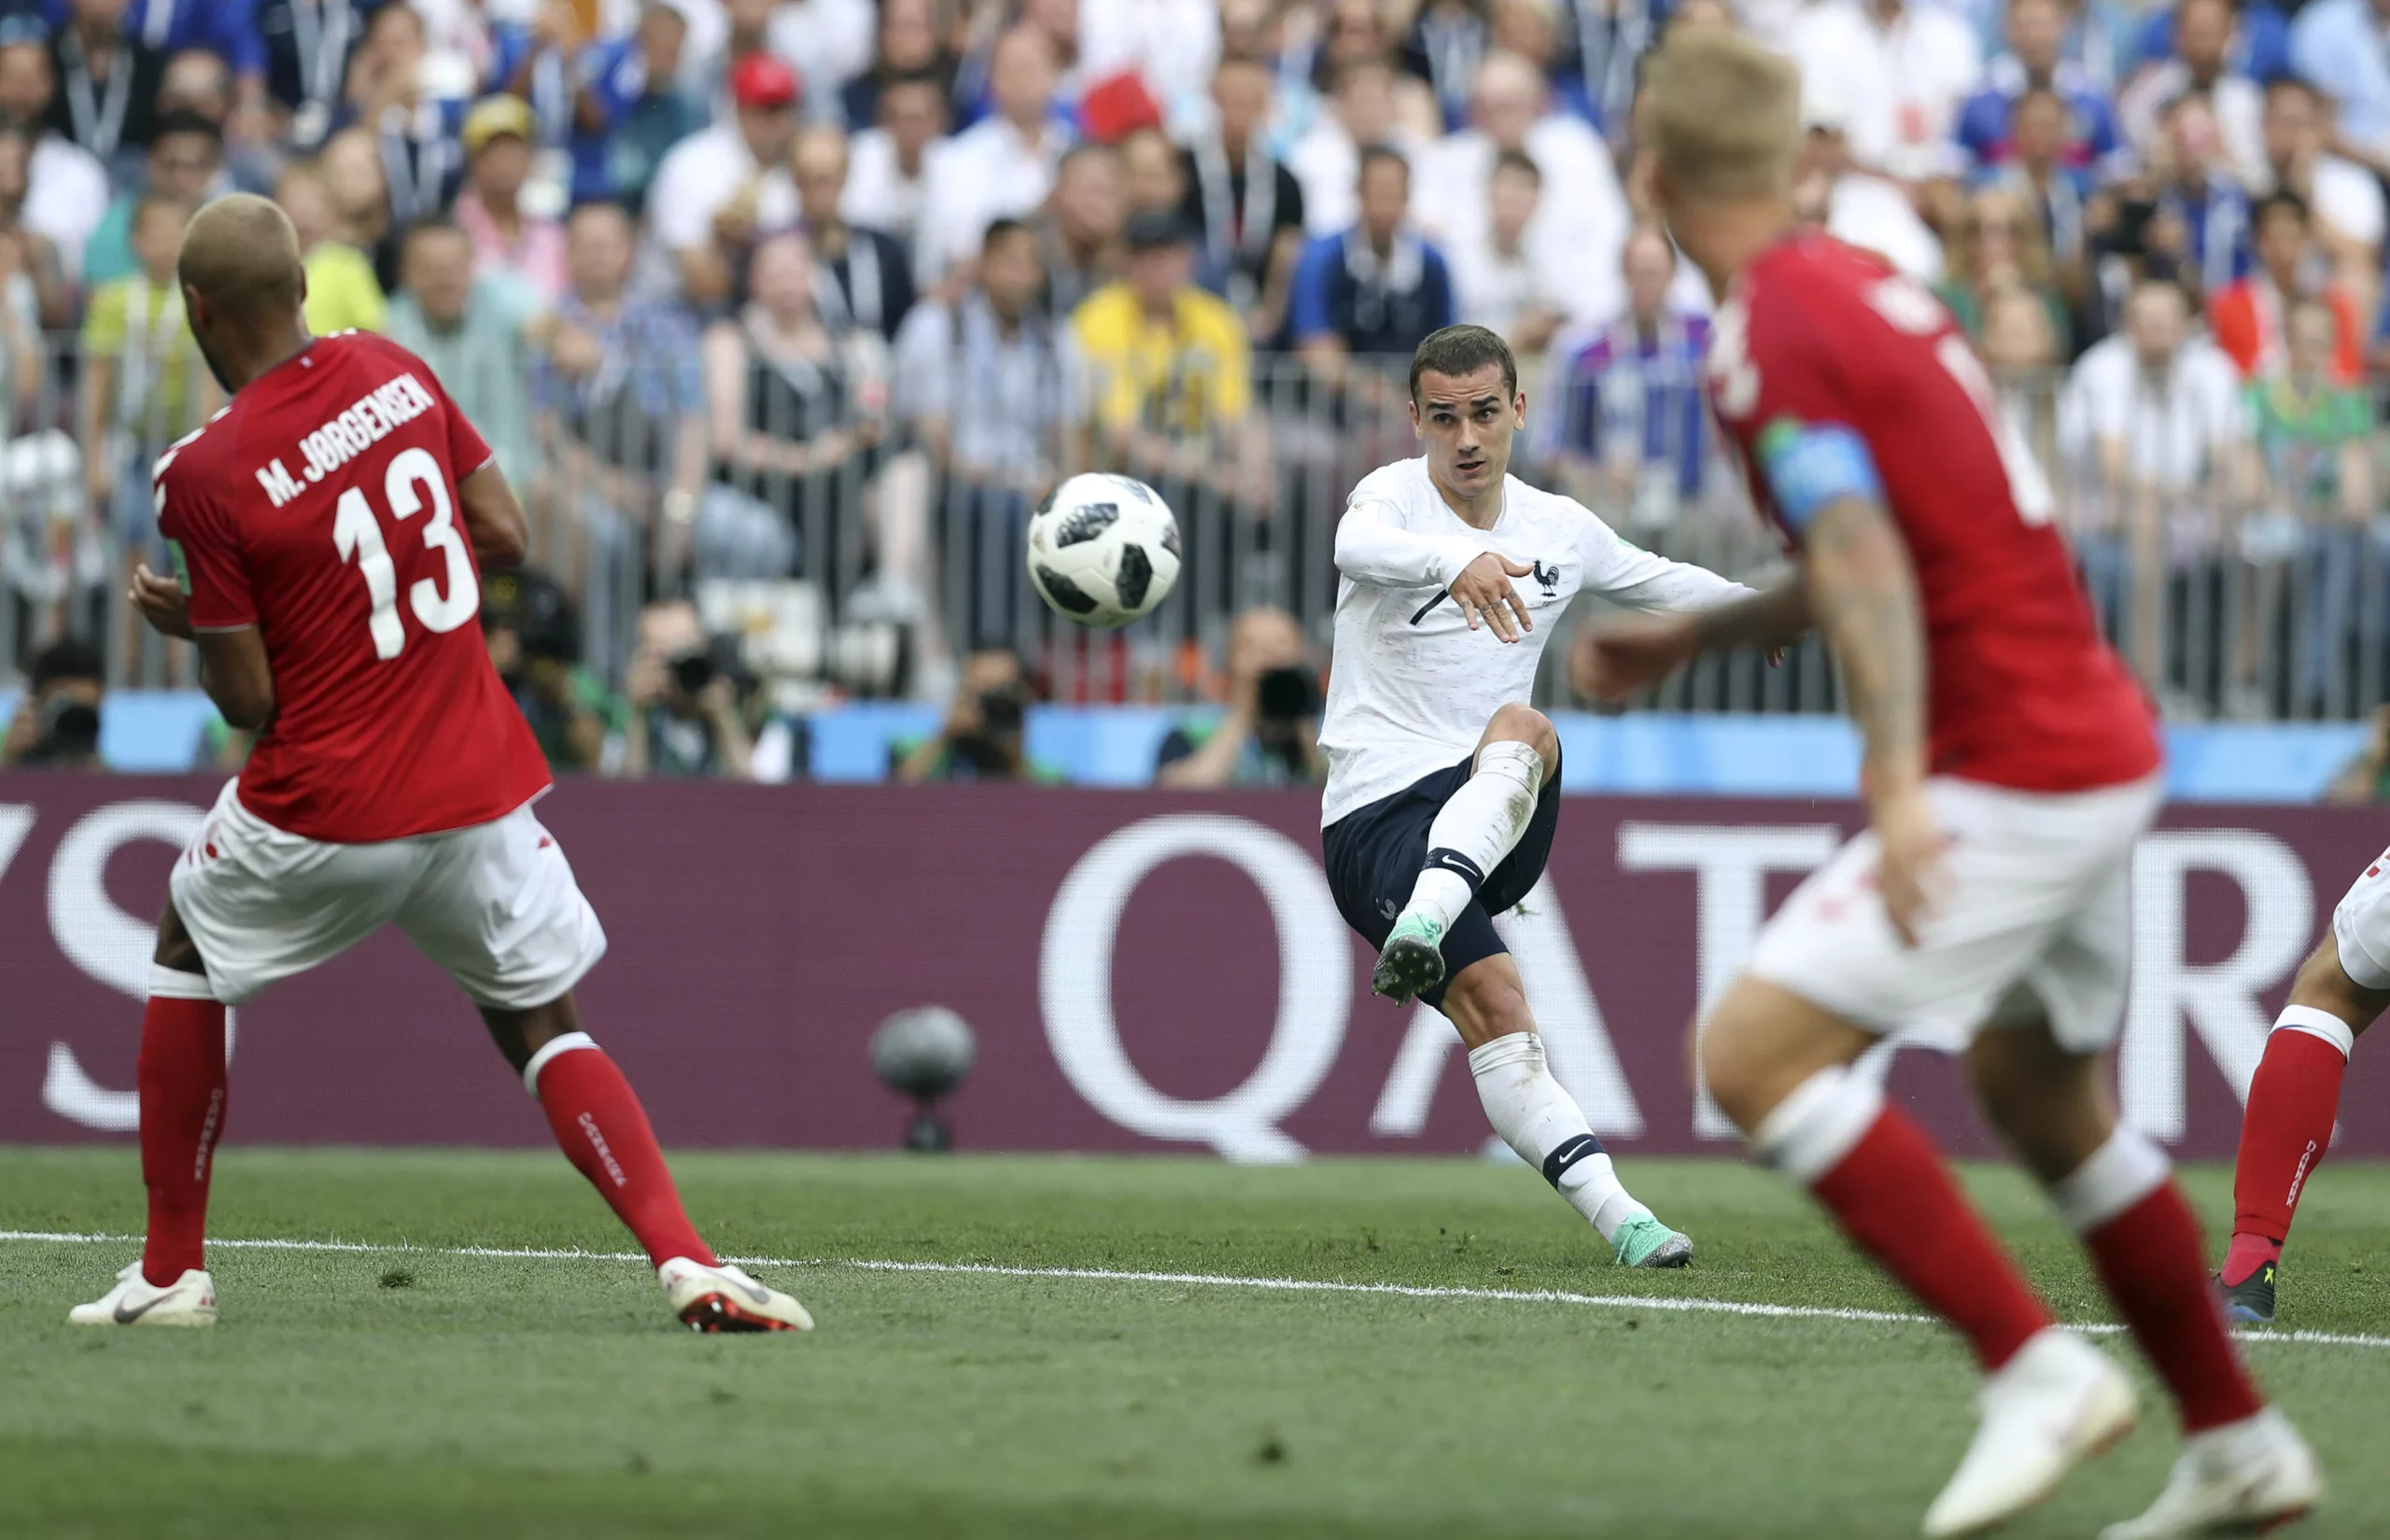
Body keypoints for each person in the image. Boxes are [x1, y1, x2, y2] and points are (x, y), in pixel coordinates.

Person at [1584, 31, 2316, 1537]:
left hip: (2016, 769)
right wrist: (1700, 634)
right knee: (2038, 1097)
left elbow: (1859, 561)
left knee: (1749, 1058)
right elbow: (1885, 538)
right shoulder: (1861, 284)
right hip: (2098, 735)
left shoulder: (1757, 339)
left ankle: (2031, 1374)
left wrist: (1895, 780)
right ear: (1801, 165)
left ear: (1648, 176)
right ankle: (2240, 1448)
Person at [71, 193, 809, 1334]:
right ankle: (689, 1259)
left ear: (196, 308)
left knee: (186, 949)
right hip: (473, 783)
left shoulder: (201, 473)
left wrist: (198, 628)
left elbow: (250, 698)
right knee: (545, 1022)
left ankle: (171, 1275)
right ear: (307, 290)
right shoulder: (391, 367)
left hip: (327, 802)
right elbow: (506, 534)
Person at [1325, 323, 1749, 1271]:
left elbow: (1659, 581)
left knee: (1528, 728)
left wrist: (1756, 611)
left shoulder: (1558, 528)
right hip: (1375, 817)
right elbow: (1354, 548)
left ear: (1518, 409)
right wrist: (1450, 561)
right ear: (1415, 421)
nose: (1466, 438)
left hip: (1487, 805)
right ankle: (1626, 1221)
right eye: (1444, 418)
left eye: (1483, 413)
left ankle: (1426, 923)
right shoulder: (1389, 499)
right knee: (1500, 1006)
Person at [649, 51, 800, 311]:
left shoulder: (798, 164)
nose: (775, 122)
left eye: (783, 108)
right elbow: (704, 285)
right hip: (679, 308)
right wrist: (726, 244)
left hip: (770, 316)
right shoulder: (692, 163)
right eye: (764, 109)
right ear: (739, 110)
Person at [1156, 606, 1323, 787]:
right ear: (1229, 661)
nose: (1267, 655)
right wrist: (1242, 715)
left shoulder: (1332, 731)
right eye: (1250, 646)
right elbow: (1179, 800)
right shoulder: (1189, 733)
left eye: (1280, 644)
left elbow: (1340, 798)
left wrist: (1303, 724)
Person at [2206, 190, 2363, 381]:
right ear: (2259, 241)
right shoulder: (2228, 307)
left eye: (2292, 236)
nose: (2284, 247)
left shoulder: (2337, 307)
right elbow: (2226, 376)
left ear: (2307, 239)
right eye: (2276, 236)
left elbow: (2348, 378)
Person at [792, 122, 914, 343]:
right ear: (793, 180)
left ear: (844, 176)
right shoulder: (777, 257)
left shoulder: (885, 252)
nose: (815, 191)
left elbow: (906, 325)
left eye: (824, 179)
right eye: (805, 179)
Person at [621, 597, 755, 778]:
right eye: (663, 658)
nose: (677, 672)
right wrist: (638, 716)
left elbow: (756, 796)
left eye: (686, 655)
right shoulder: (629, 713)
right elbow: (625, 798)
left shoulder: (745, 706)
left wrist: (724, 719)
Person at [452, 94, 567, 305]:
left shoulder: (550, 233)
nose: (504, 163)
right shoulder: (453, 230)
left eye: (513, 151)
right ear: (472, 161)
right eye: (493, 152)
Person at [893, 646, 1049, 782]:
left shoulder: (1049, 776)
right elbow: (893, 800)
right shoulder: (905, 751)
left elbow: (1039, 809)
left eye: (1002, 695)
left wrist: (1014, 749)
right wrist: (944, 737)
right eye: (982, 695)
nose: (994, 707)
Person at [0, 637, 104, 767]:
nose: (74, 722)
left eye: (84, 710)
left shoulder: (104, 769)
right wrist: (9, 763)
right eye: (63, 706)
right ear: (35, 703)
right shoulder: (8, 749)